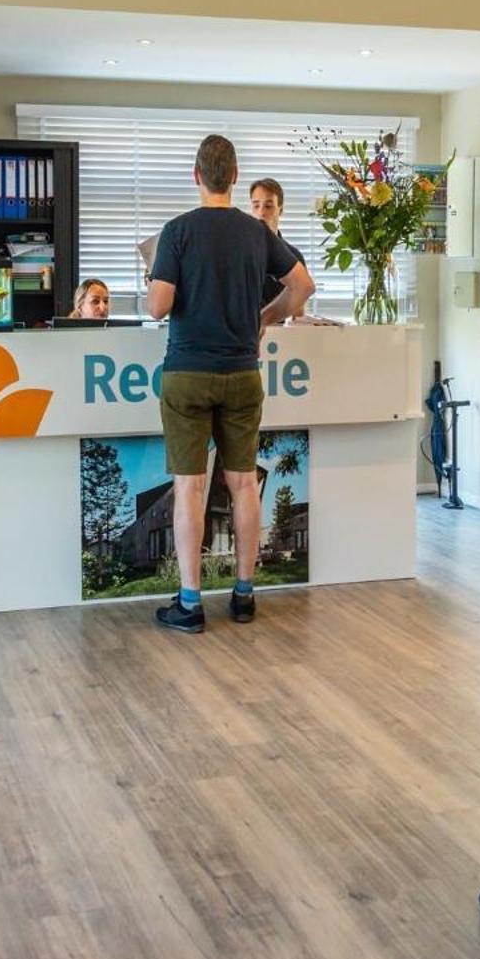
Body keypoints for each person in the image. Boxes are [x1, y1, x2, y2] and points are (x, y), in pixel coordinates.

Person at [146, 136, 314, 633]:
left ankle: (191, 603)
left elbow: (157, 307)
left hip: (188, 373)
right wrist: (264, 316)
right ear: (236, 178)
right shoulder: (256, 233)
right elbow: (302, 286)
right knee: (244, 485)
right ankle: (243, 595)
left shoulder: (177, 232)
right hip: (242, 372)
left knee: (190, 487)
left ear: (196, 176)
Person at [248, 177, 308, 314]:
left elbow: (298, 315)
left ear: (280, 210)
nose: (261, 213)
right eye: (256, 205)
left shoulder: (294, 256)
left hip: (281, 333)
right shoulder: (241, 252)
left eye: (268, 206)